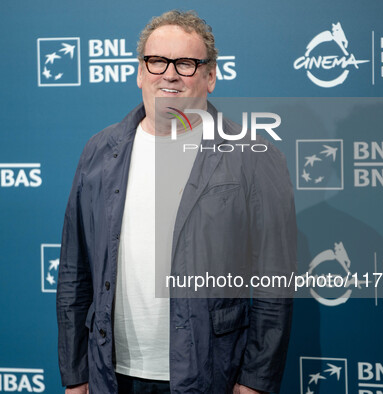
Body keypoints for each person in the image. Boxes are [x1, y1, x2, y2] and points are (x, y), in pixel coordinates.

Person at [57, 10, 296, 394]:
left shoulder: (254, 156)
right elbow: (74, 272)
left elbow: (273, 285)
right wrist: (76, 374)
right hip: (112, 375)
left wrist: (255, 383)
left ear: (210, 76)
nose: (169, 74)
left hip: (209, 375)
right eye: (156, 61)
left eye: (185, 63)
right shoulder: (98, 152)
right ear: (139, 71)